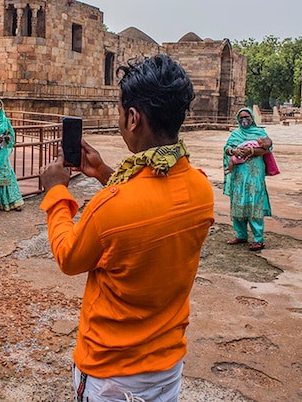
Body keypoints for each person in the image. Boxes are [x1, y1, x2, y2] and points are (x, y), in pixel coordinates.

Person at [39, 54, 214, 402]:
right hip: (166, 367)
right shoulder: (200, 188)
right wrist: (104, 172)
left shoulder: (110, 208)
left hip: (111, 373)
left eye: (121, 112)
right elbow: (150, 204)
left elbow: (69, 257)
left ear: (133, 118)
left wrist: (57, 193)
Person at [223, 107, 273, 251]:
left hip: (255, 174)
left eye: (247, 117)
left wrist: (251, 151)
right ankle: (241, 234)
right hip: (239, 175)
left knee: (254, 203)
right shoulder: (235, 134)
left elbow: (267, 149)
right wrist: (233, 151)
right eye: (241, 117)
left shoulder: (260, 133)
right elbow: (227, 147)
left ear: (252, 118)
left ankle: (258, 239)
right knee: (238, 201)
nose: (244, 120)